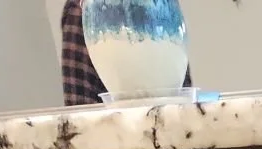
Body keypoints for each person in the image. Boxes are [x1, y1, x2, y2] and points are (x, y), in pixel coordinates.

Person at [61, 0, 192, 106]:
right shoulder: (84, 12)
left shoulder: (165, 8)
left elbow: (182, 100)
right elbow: (80, 116)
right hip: (117, 128)